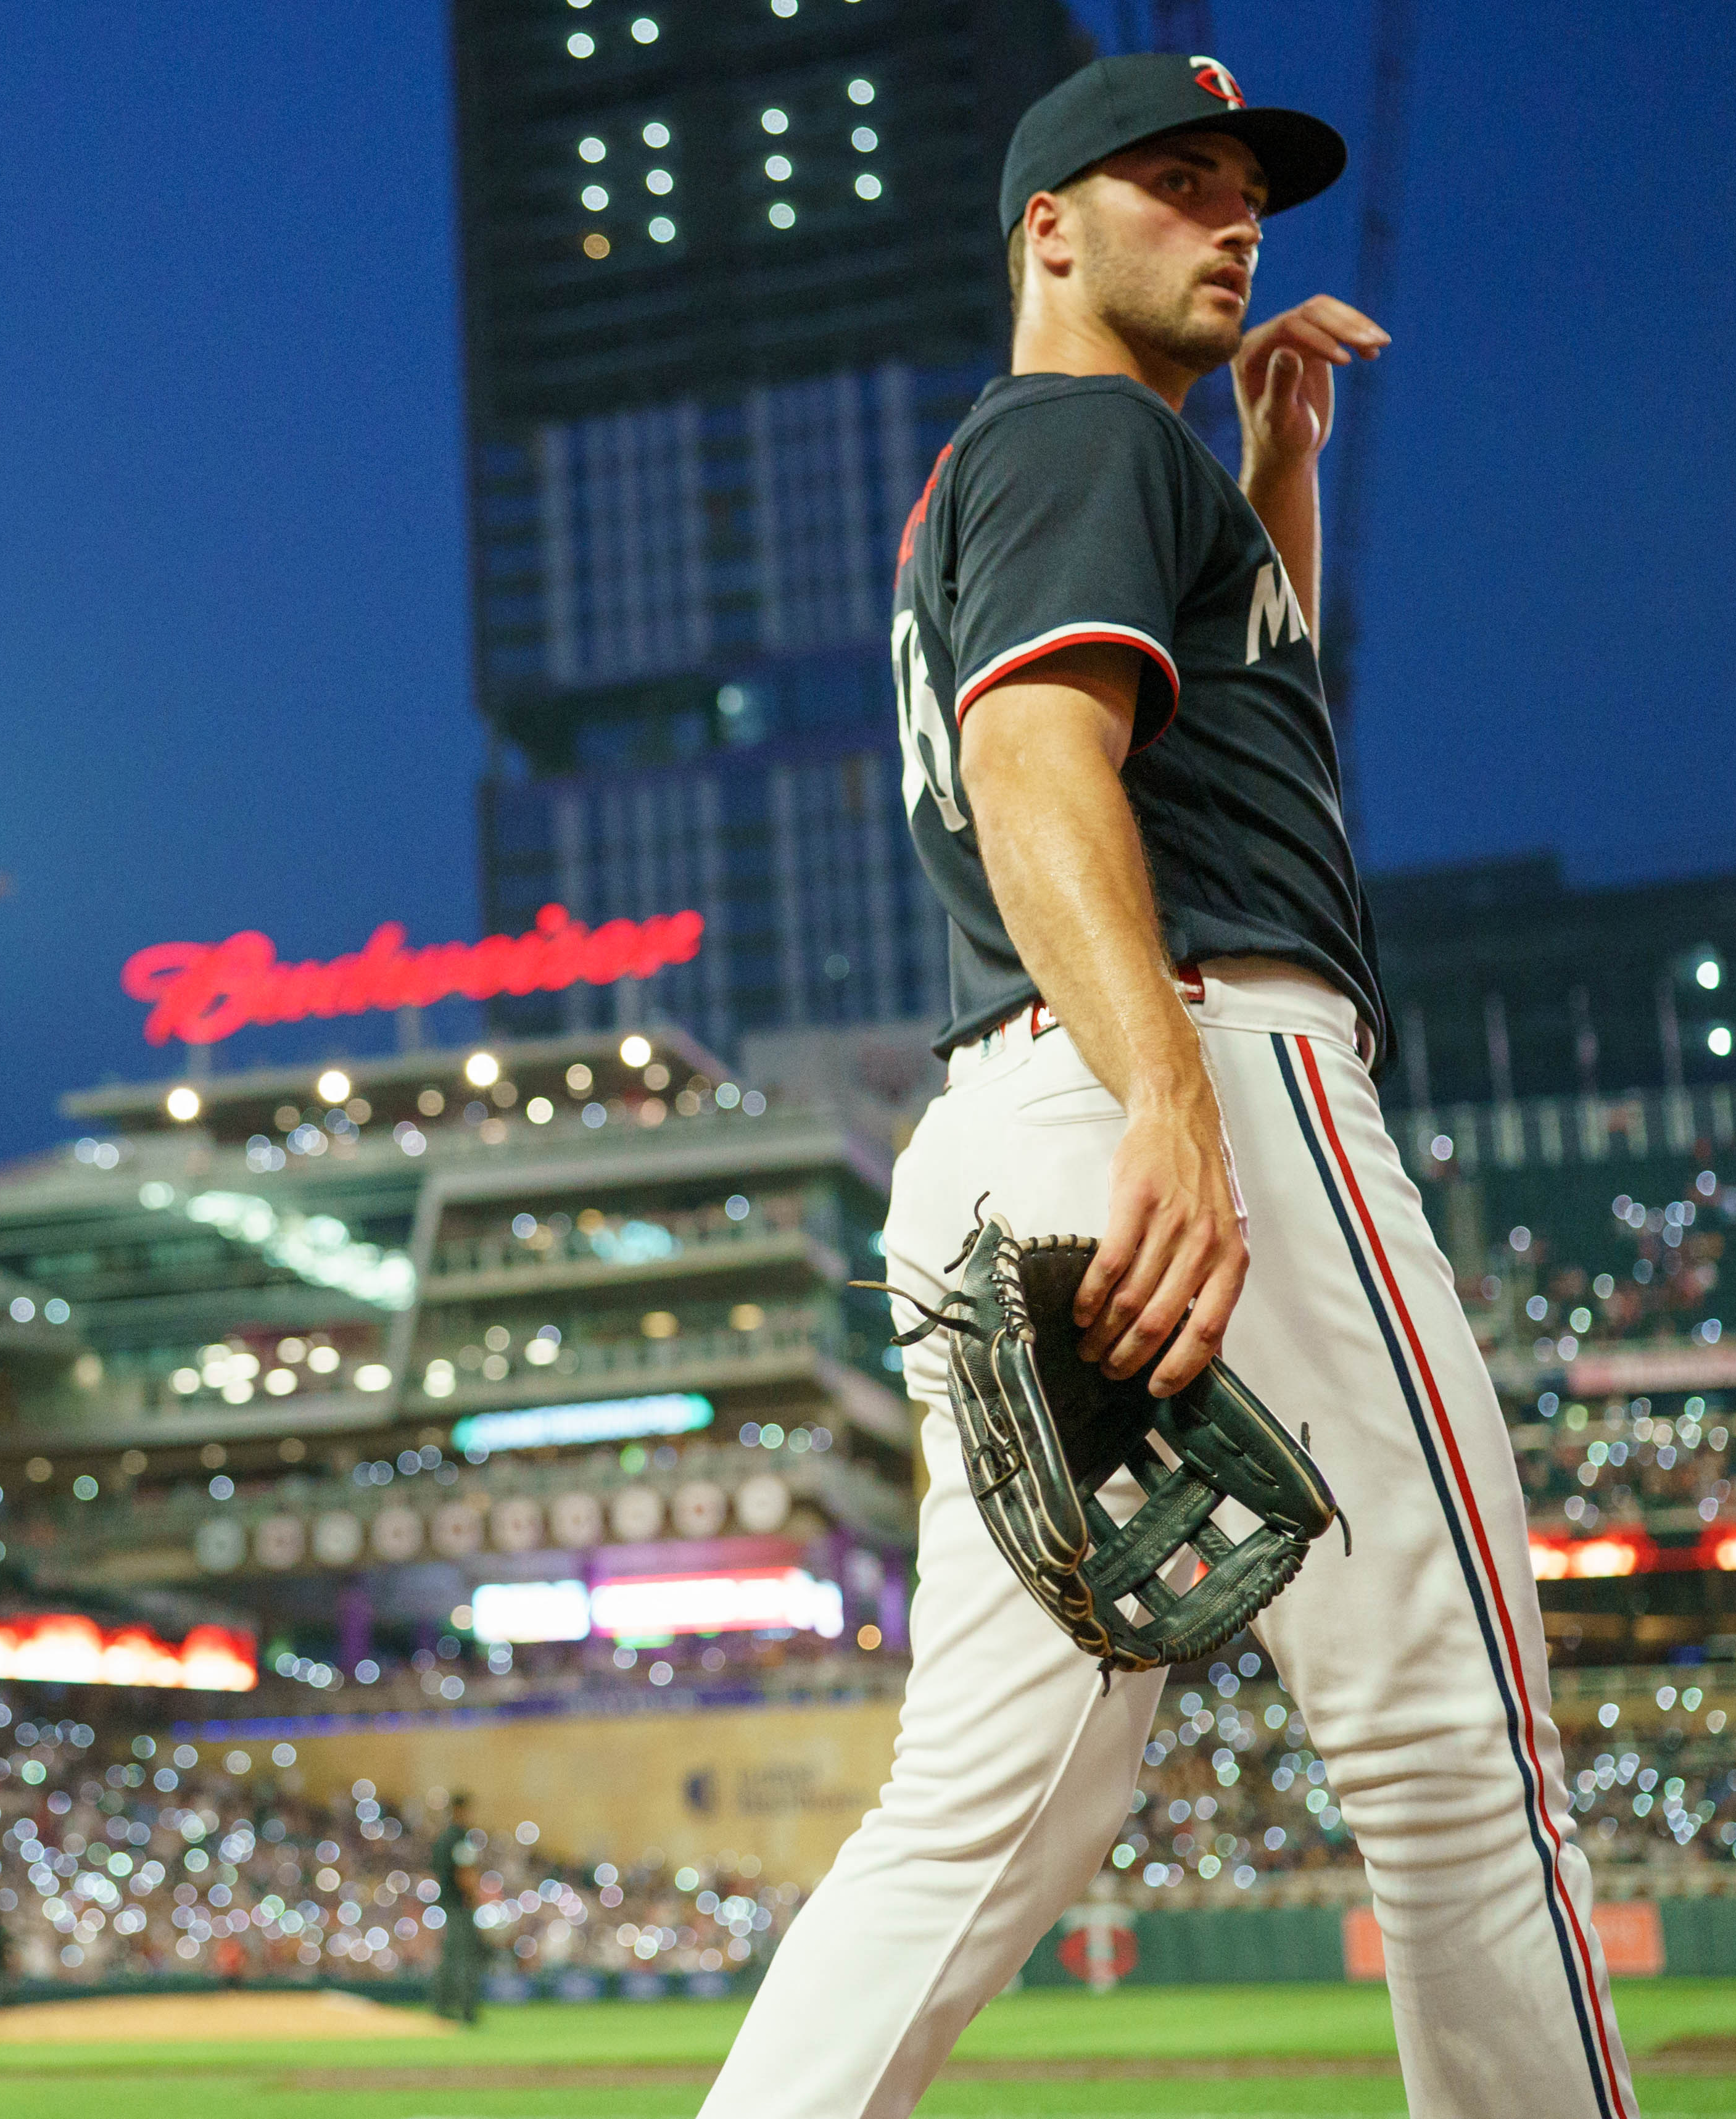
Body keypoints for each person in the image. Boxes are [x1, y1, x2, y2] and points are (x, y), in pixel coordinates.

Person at [698, 52, 1636, 2119]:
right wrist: (1179, 1110)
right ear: (1048, 227)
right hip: (1198, 1075)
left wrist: (1270, 463)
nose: (1236, 222)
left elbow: (1233, 723)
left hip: (1001, 1123)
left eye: (1251, 196)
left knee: (979, 1810)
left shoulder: (1052, 471)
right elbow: (1049, 770)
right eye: (1177, 183)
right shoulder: (1074, 438)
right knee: (1453, 1755)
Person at [426, 1795, 485, 2026]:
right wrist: (475, 1897)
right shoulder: (460, 1838)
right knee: (465, 1960)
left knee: (450, 1958)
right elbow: (465, 1874)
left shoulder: (443, 1839)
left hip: (447, 1905)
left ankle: (441, 2007)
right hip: (461, 1906)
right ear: (461, 1810)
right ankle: (467, 2010)